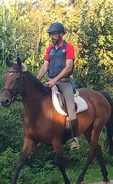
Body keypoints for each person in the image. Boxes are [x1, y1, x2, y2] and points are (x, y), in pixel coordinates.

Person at [37, 22, 79, 150]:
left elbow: (68, 67)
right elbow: (45, 67)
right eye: (50, 34)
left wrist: (55, 80)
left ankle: (73, 138)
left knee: (71, 108)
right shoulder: (49, 49)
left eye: (54, 34)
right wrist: (37, 79)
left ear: (61, 34)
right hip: (50, 81)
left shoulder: (69, 47)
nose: (52, 37)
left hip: (64, 82)